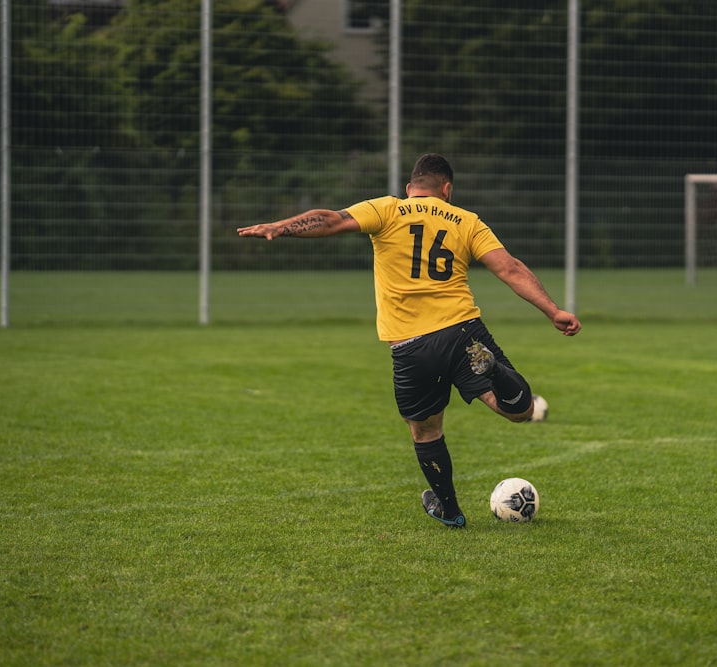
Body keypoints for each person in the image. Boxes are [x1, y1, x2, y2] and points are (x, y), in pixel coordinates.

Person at [237, 153, 581, 528]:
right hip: (463, 331)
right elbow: (509, 268)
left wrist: (282, 226)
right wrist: (553, 311)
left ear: (410, 188)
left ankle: (450, 512)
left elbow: (332, 221)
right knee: (519, 411)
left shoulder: (387, 210)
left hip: (411, 348)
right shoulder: (467, 221)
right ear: (447, 189)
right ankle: (494, 371)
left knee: (426, 431)